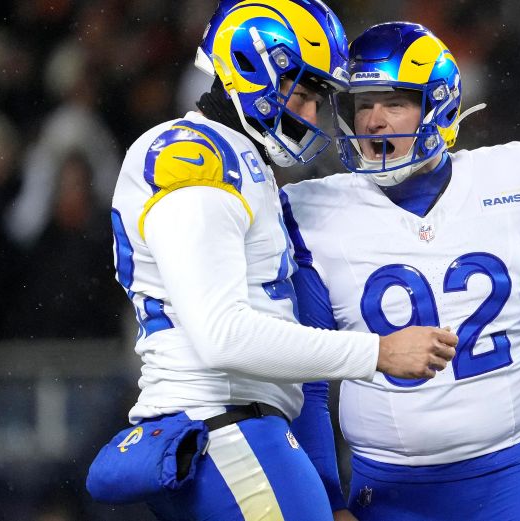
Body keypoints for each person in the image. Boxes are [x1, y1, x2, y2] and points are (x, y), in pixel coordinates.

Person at [90, 3, 457, 521]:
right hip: (222, 429)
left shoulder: (235, 155)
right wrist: (377, 352)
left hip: (236, 430)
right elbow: (222, 335)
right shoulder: (194, 156)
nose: (310, 117)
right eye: (304, 94)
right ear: (252, 67)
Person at [281, 22, 520, 521]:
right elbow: (307, 377)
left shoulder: (513, 180)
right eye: (361, 105)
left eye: (393, 101)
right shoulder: (314, 212)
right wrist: (328, 500)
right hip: (390, 492)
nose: (372, 121)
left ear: (437, 105)